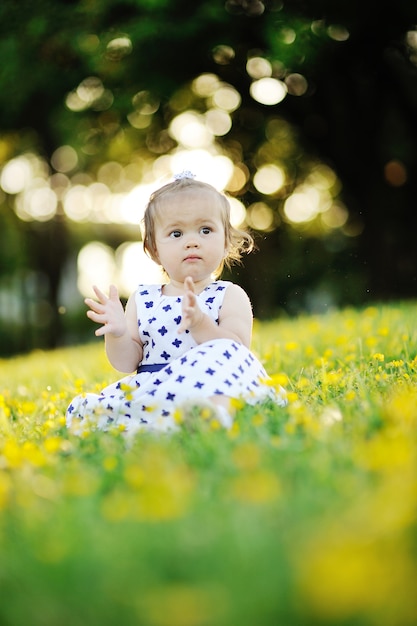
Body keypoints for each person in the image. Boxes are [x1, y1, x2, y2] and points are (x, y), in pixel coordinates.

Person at [66, 171, 287, 435]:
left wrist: (202, 324)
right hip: (159, 390)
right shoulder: (143, 299)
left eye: (206, 230)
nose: (192, 241)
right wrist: (119, 333)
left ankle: (211, 414)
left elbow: (236, 353)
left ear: (226, 240)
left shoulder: (229, 295)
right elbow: (126, 363)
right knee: (102, 412)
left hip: (210, 387)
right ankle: (159, 425)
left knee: (224, 381)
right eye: (176, 233)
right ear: (154, 249)